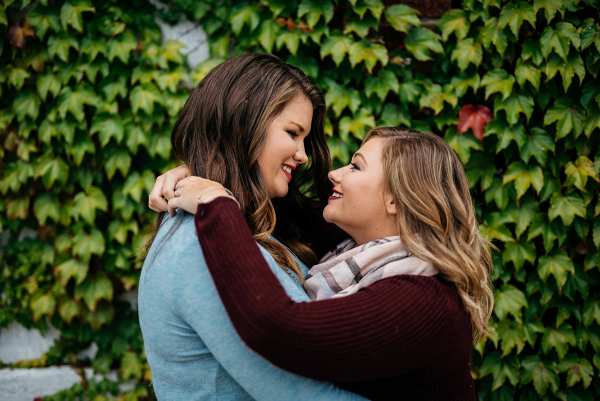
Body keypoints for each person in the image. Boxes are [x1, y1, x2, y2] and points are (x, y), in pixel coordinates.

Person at [163, 127, 494, 401]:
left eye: (356, 166)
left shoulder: (423, 300)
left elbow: (279, 330)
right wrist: (196, 172)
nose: (335, 173)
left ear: (396, 198)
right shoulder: (359, 251)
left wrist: (214, 203)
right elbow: (279, 202)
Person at [139, 53, 365, 401]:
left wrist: (203, 183)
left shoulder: (252, 225)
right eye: (292, 133)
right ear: (243, 123)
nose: (303, 154)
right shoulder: (201, 246)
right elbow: (300, 393)